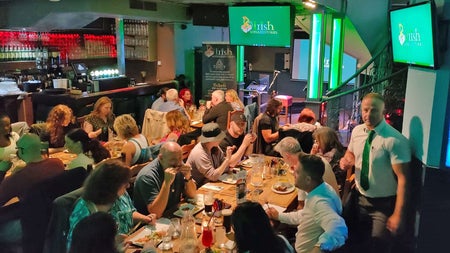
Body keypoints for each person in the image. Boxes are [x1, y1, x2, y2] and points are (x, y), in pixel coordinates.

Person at [339, 92, 411, 252]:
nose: (368, 114)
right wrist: (345, 160)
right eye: (365, 110)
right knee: (348, 240)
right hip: (358, 197)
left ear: (382, 111)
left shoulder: (394, 140)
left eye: (374, 110)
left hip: (382, 205)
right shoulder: (357, 131)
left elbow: (403, 179)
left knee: (379, 246)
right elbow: (350, 153)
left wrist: (399, 214)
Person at [266, 154, 347, 253]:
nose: (293, 174)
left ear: (308, 180)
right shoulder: (322, 188)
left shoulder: (319, 202)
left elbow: (339, 229)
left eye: (297, 172)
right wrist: (279, 216)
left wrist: (318, 249)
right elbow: (305, 215)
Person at [67, 159, 156, 248]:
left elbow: (129, 212)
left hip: (128, 244)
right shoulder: (85, 211)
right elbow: (76, 247)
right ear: (112, 186)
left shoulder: (121, 194)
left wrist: (145, 218)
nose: (128, 186)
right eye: (124, 183)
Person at [0, 133, 65, 243]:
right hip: (55, 219)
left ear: (22, 151)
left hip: (30, 226)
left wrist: (1, 171)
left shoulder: (17, 178)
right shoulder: (58, 164)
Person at [133, 141, 197, 218]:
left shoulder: (178, 164)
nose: (178, 163)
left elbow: (192, 195)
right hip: (151, 223)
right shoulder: (147, 176)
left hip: (173, 214)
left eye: (180, 158)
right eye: (173, 159)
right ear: (161, 158)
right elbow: (156, 212)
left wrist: (188, 177)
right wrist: (166, 183)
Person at [274, 137, 339, 209]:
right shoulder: (316, 159)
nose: (284, 160)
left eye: (283, 157)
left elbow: (301, 207)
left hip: (324, 212)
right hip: (335, 205)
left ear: (287, 156)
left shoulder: (303, 170)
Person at [311, 127, 346, 191]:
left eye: (317, 141)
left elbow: (313, 172)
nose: (315, 144)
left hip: (331, 190)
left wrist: (312, 155)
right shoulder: (337, 148)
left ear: (324, 141)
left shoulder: (332, 155)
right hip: (331, 184)